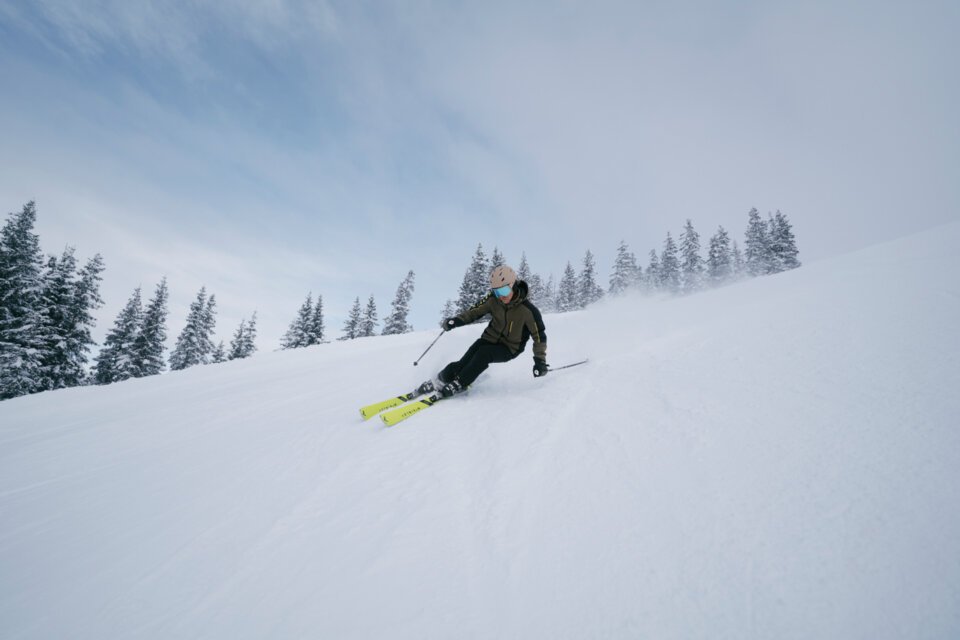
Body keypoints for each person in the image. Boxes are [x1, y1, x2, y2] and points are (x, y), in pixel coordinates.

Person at [432, 265, 549, 398]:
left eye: (504, 291)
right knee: (466, 359)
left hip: (509, 348)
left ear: (513, 285)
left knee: (483, 354)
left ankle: (460, 383)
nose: (501, 297)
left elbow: (539, 337)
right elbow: (475, 312)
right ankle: (442, 377)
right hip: (488, 339)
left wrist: (540, 361)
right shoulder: (494, 300)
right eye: (497, 292)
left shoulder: (528, 311)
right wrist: (456, 321)